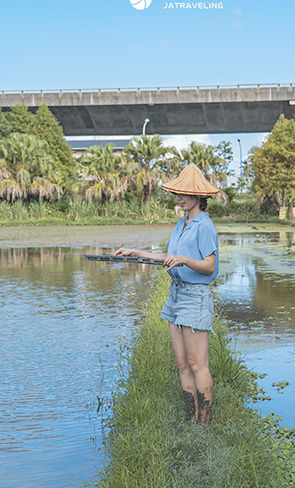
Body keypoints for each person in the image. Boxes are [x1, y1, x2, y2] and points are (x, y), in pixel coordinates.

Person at [115, 164, 219, 424]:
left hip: (195, 297)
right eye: (177, 192)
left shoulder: (204, 226)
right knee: (182, 363)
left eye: (184, 193)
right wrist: (136, 252)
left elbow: (209, 266)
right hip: (175, 296)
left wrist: (184, 260)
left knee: (198, 365)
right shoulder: (182, 223)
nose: (179, 197)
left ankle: (204, 424)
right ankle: (192, 417)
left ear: (198, 196)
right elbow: (169, 256)